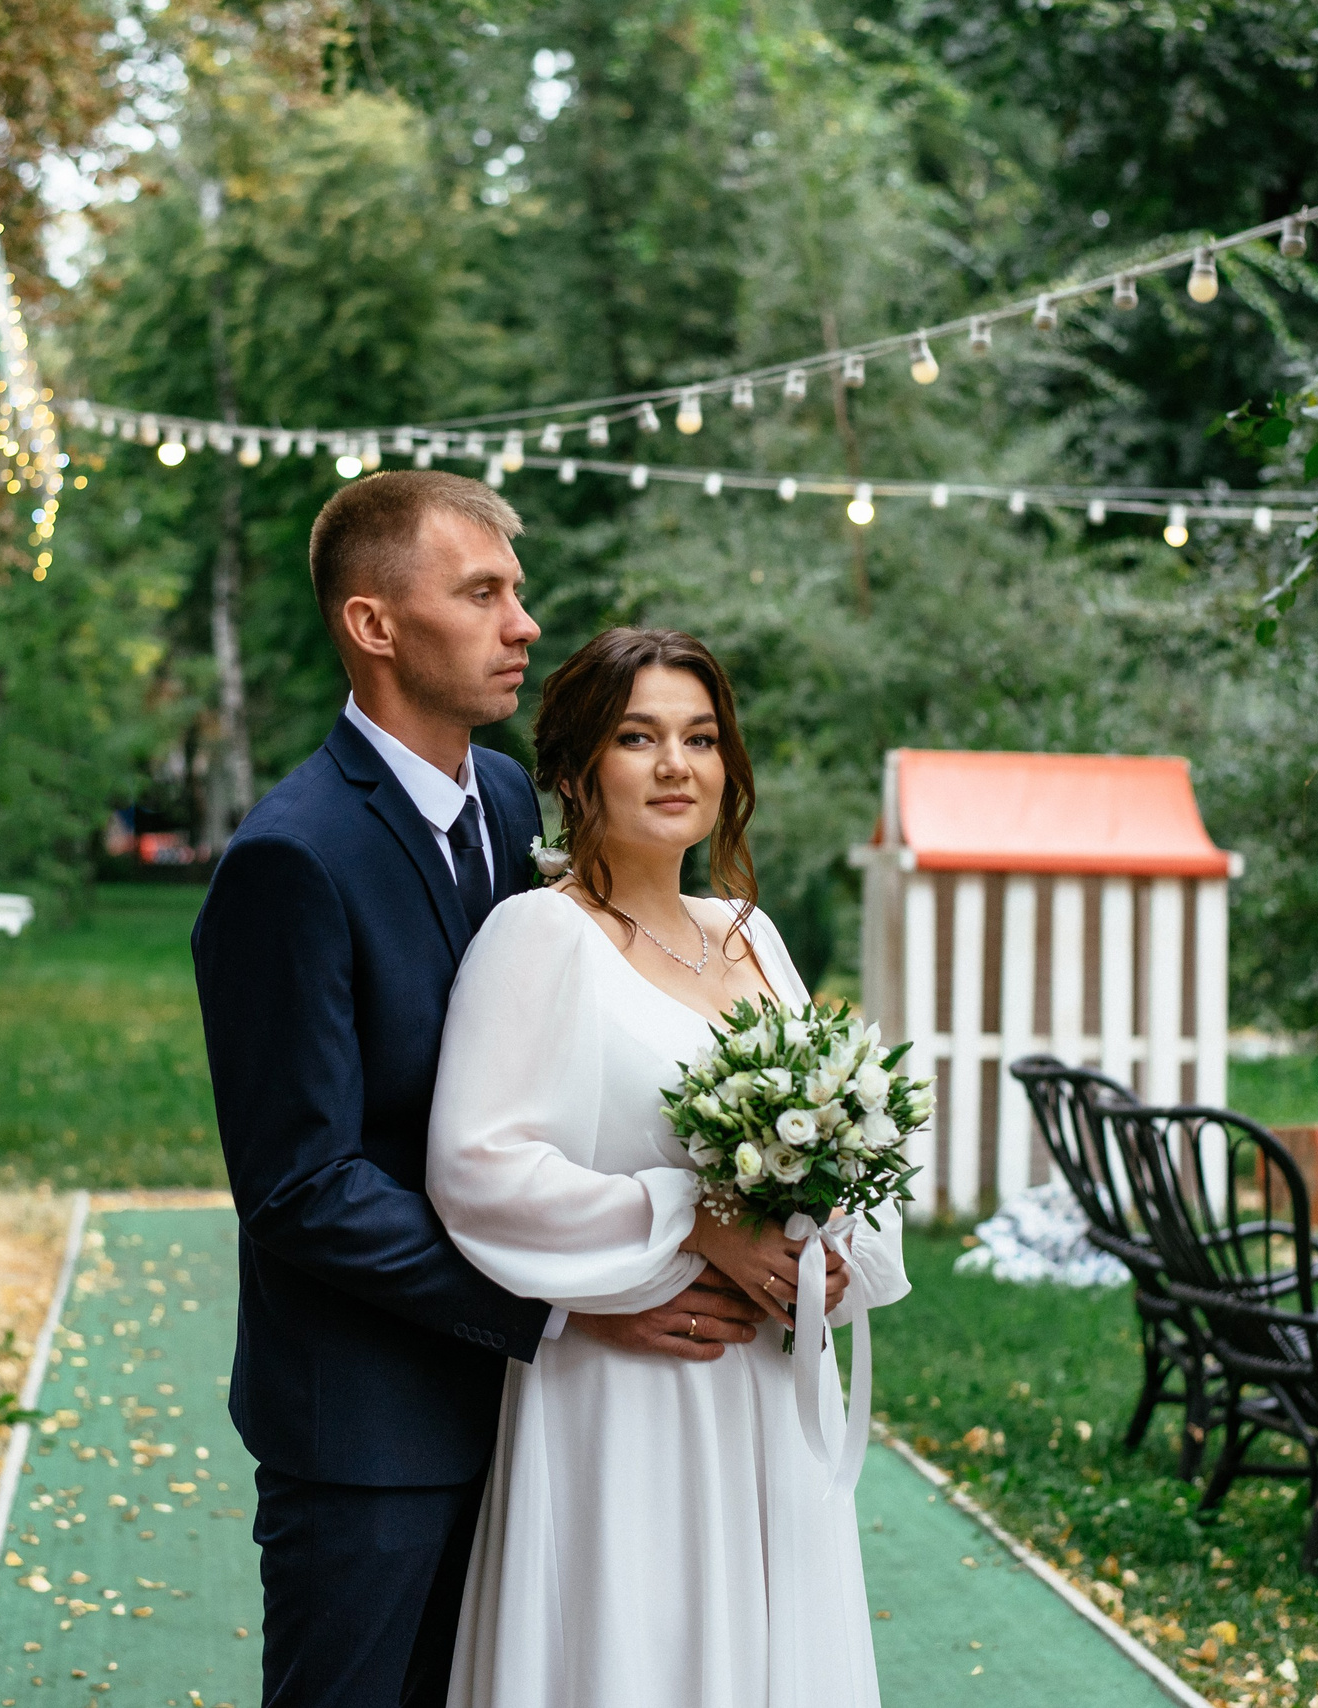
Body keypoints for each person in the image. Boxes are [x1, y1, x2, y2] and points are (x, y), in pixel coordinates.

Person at [190, 475, 769, 1708]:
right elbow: (302, 1188)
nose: (523, 624)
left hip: (539, 1423)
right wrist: (568, 1302)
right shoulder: (289, 859)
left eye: (517, 591)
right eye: (483, 593)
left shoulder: (506, 798)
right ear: (374, 625)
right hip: (372, 1429)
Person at [427, 626, 910, 1708]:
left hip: (769, 1385)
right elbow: (477, 1165)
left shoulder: (749, 934)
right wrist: (690, 1220)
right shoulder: (535, 935)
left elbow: (832, 1135)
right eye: (637, 737)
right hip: (631, 1389)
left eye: (699, 738)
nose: (674, 765)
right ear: (574, 769)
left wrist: (827, 1251)